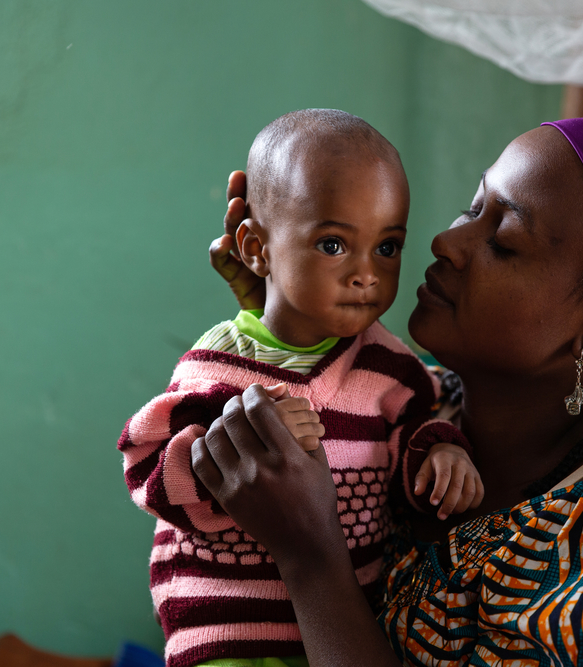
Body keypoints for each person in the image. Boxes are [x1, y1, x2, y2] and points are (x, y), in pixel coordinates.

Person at [194, 117, 583, 666]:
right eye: (471, 207)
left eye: (503, 242)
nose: (446, 243)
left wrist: (312, 561)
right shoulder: (420, 403)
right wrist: (283, 324)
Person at [117, 109, 482, 667]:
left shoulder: (392, 365)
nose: (366, 273)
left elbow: (415, 428)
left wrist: (441, 452)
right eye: (333, 245)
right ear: (257, 248)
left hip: (340, 632)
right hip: (225, 627)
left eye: (387, 247)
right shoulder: (221, 364)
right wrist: (234, 444)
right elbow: (145, 466)